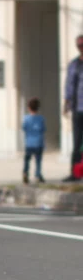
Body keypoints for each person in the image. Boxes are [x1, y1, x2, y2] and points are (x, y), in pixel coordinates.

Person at [63, 34, 83, 181]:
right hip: (78, 108)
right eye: (79, 45)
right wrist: (66, 103)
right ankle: (75, 173)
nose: (81, 48)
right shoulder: (74, 65)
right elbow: (69, 85)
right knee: (77, 142)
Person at [22, 97, 46, 184]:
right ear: (38, 108)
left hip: (29, 143)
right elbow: (43, 129)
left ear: (29, 108)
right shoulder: (41, 118)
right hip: (39, 142)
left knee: (27, 159)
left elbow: (24, 128)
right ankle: (38, 175)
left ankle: (25, 172)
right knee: (38, 160)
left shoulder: (26, 118)